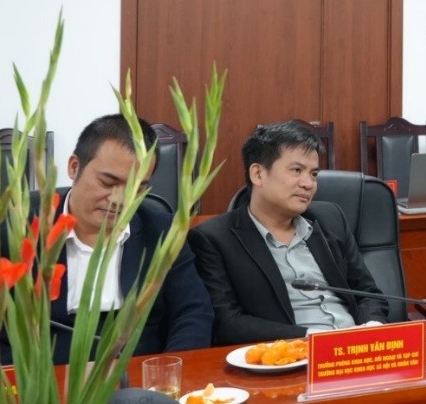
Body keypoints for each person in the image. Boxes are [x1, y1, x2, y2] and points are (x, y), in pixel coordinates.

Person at [189, 121, 391, 345]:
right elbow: (228, 323)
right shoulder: (213, 239)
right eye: (296, 170)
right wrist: (312, 338)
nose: (308, 184)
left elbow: (368, 293)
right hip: (289, 355)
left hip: (357, 348)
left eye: (313, 174)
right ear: (258, 174)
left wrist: (373, 326)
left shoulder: (330, 219)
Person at [49, 114, 212, 364]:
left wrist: (168, 373)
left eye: (137, 188)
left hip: (142, 376)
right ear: (74, 167)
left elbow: (193, 313)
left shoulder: (163, 231)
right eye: (108, 182)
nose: (120, 200)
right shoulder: (22, 233)